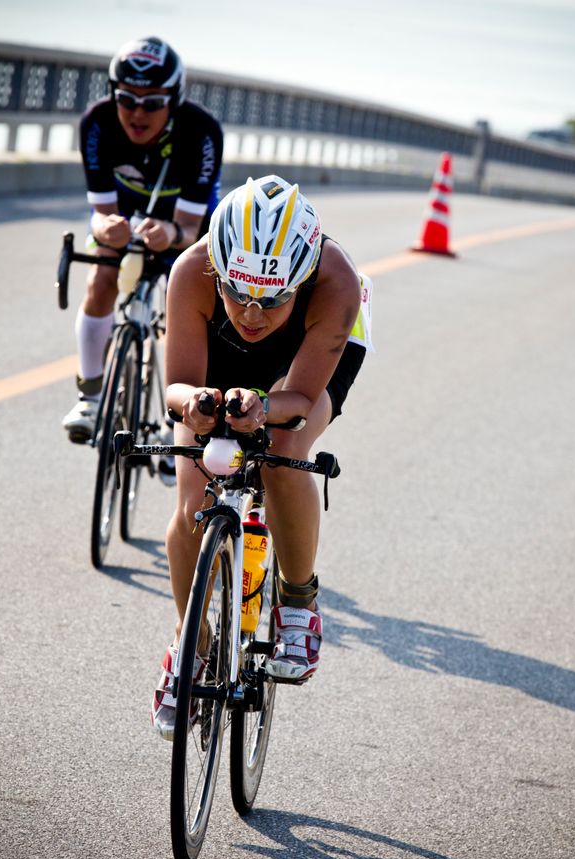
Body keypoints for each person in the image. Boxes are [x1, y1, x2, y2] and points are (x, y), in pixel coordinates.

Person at [151, 173, 374, 739]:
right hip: (219, 358)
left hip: (308, 357)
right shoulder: (191, 270)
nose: (252, 312)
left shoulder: (336, 281)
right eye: (238, 293)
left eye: (271, 298)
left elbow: (299, 400)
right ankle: (190, 641)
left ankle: (297, 601)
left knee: (283, 448)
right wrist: (198, 406)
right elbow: (175, 386)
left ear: (298, 281)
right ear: (217, 270)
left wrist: (263, 409)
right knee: (192, 493)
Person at [62, 36, 224, 485]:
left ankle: (185, 430)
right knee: (101, 277)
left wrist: (172, 233)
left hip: (182, 221)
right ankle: (90, 396)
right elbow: (100, 214)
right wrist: (102, 230)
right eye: (127, 99)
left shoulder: (201, 132)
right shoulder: (96, 123)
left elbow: (190, 229)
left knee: (184, 314)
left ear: (174, 99)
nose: (137, 112)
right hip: (126, 215)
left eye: (152, 102)